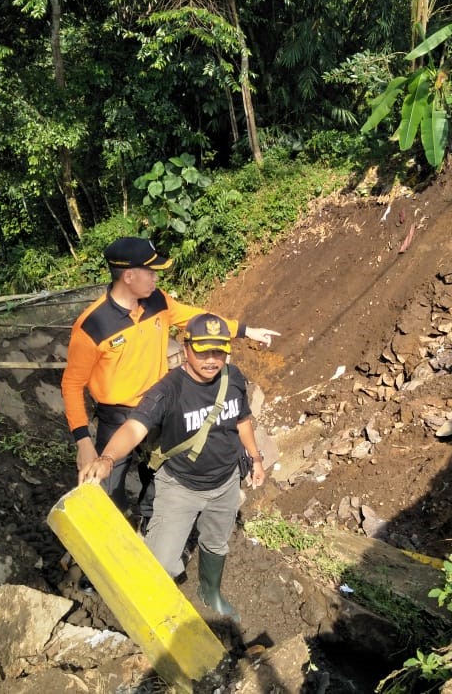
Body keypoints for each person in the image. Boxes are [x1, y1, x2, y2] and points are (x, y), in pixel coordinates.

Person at [61, 237, 278, 525]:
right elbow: (72, 385)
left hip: (160, 407)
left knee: (163, 476)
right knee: (106, 485)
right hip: (117, 417)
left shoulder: (158, 301)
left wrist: (245, 330)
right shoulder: (92, 325)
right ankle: (115, 529)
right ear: (129, 276)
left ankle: (152, 525)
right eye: (151, 272)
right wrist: (83, 442)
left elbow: (196, 319)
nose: (156, 277)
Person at [86, 313, 265, 621]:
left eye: (218, 351)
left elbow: (243, 420)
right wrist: (107, 458)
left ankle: (211, 591)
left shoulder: (233, 378)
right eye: (203, 351)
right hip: (180, 486)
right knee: (161, 564)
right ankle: (149, 606)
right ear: (186, 348)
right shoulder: (167, 390)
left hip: (225, 482)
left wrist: (256, 458)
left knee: (216, 541)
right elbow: (134, 428)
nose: (211, 360)